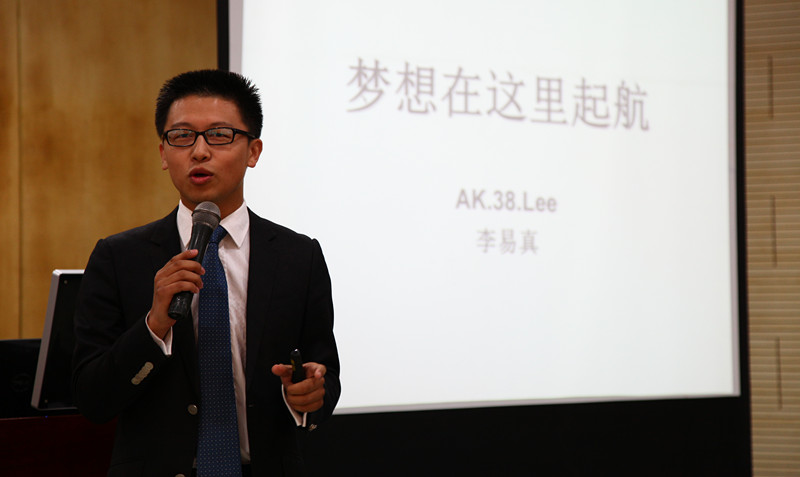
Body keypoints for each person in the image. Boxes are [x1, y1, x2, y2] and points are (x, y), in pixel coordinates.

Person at [72, 69, 340, 477]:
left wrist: (307, 396)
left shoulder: (298, 256)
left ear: (253, 151)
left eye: (219, 135)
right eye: (182, 136)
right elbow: (93, 399)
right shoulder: (117, 257)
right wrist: (153, 326)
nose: (199, 152)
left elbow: (324, 376)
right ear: (164, 154)